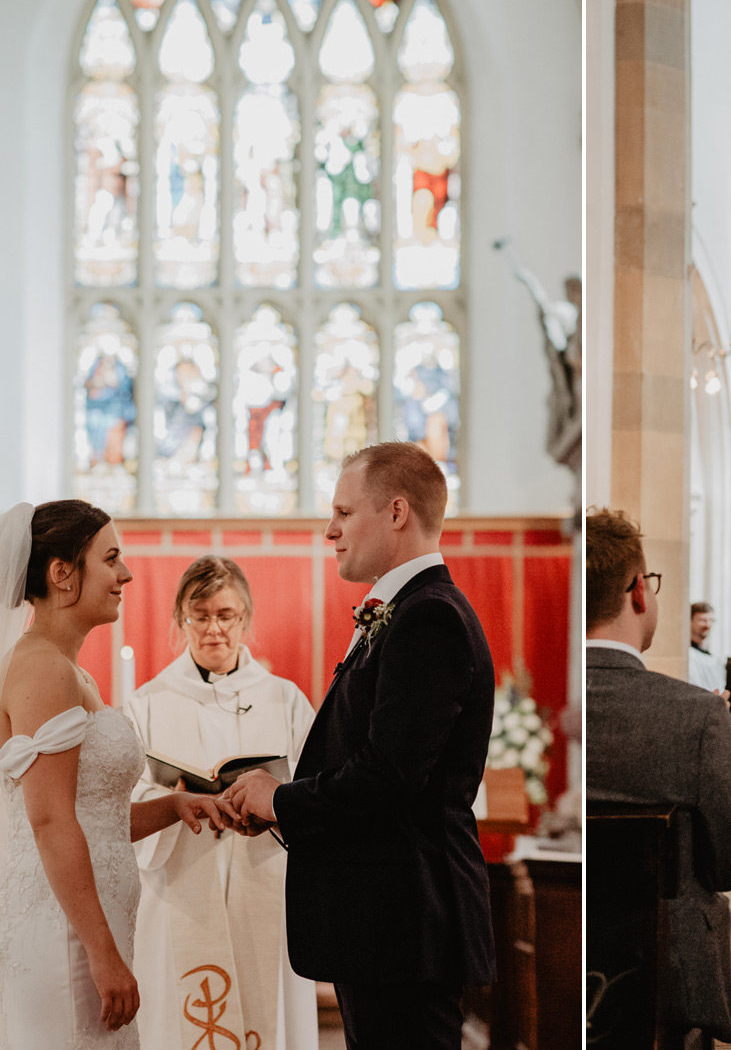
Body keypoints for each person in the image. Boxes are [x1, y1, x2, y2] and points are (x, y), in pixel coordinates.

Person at [0, 501, 230, 1049]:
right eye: (110, 558)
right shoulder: (42, 670)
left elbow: (92, 818)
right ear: (62, 573)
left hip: (79, 924)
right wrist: (101, 953)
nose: (125, 574)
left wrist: (174, 807)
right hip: (62, 933)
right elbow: (51, 822)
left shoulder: (67, 670)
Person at [223, 442, 495, 1048]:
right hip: (385, 921)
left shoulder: (428, 618)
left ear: (396, 512)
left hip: (404, 919)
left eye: (344, 513)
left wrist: (281, 800)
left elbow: (389, 777)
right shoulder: (402, 611)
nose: (330, 530)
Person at [123, 556, 317, 1050]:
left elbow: (316, 789)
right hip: (181, 883)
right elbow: (125, 798)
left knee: (265, 1006)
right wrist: (178, 800)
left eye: (226, 615)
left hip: (265, 872)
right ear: (180, 620)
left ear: (245, 618)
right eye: (200, 615)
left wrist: (272, 805)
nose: (213, 629)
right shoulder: (147, 703)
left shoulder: (285, 700)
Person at [586, 508, 731, 1049]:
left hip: (574, 958)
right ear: (639, 592)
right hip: (670, 977)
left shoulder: (551, 707)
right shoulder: (699, 715)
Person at [687, 600, 727, 694]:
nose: (708, 625)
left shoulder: (713, 658)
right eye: (702, 620)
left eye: (711, 620)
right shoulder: (687, 655)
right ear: (690, 621)